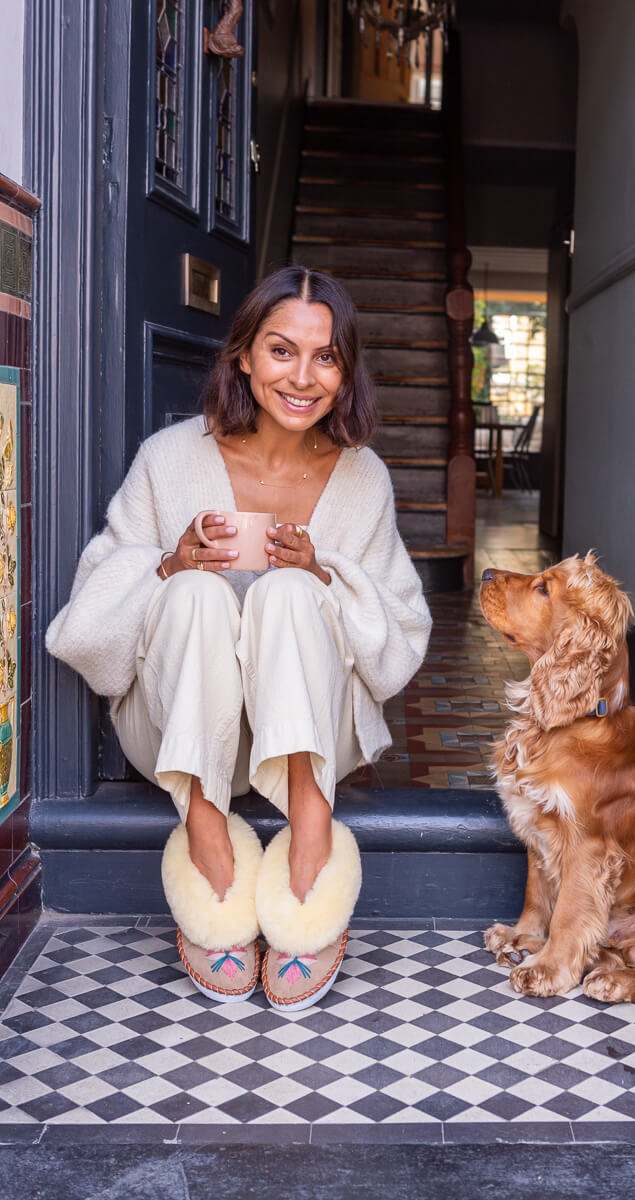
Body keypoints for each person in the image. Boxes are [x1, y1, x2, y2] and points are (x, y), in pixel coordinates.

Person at [46, 266, 432, 1010]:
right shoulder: (170, 459)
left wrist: (326, 574)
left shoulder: (363, 478)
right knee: (193, 590)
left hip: (316, 734)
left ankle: (311, 823)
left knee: (291, 589)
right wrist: (168, 564)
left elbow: (400, 635)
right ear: (244, 357)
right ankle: (206, 828)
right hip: (179, 727)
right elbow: (89, 622)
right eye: (282, 351)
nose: (303, 377)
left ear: (346, 371)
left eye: (326, 357)